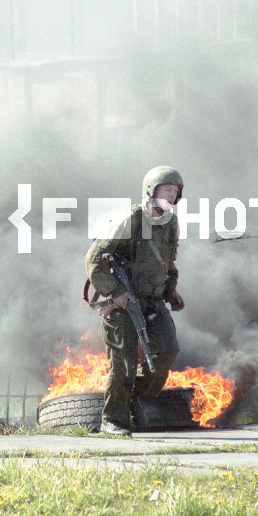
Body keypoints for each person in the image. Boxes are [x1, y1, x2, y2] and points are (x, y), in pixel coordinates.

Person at [85, 166, 186, 436]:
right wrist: (115, 291)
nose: (172, 195)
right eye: (167, 189)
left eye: (176, 192)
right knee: (123, 363)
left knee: (166, 351)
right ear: (151, 191)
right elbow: (93, 259)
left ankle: (136, 403)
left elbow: (167, 264)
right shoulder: (130, 219)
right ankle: (113, 420)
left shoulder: (170, 223)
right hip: (122, 304)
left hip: (153, 302)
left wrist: (170, 291)